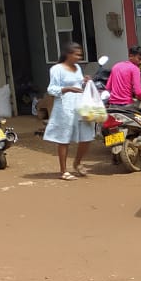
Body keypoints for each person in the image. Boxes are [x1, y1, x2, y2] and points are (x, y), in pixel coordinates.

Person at [43, 40, 95, 180]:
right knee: (64, 139)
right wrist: (67, 89)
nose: (79, 57)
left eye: (80, 55)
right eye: (77, 54)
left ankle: (77, 163)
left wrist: (84, 81)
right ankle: (63, 171)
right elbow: (51, 89)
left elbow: (78, 84)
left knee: (87, 136)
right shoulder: (57, 69)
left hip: (80, 106)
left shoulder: (77, 68)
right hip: (64, 109)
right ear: (68, 54)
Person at [104, 45, 141, 133]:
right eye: (139, 59)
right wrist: (140, 98)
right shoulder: (135, 69)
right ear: (131, 56)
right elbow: (138, 92)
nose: (140, 62)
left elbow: (108, 87)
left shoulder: (116, 66)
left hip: (113, 105)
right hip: (127, 106)